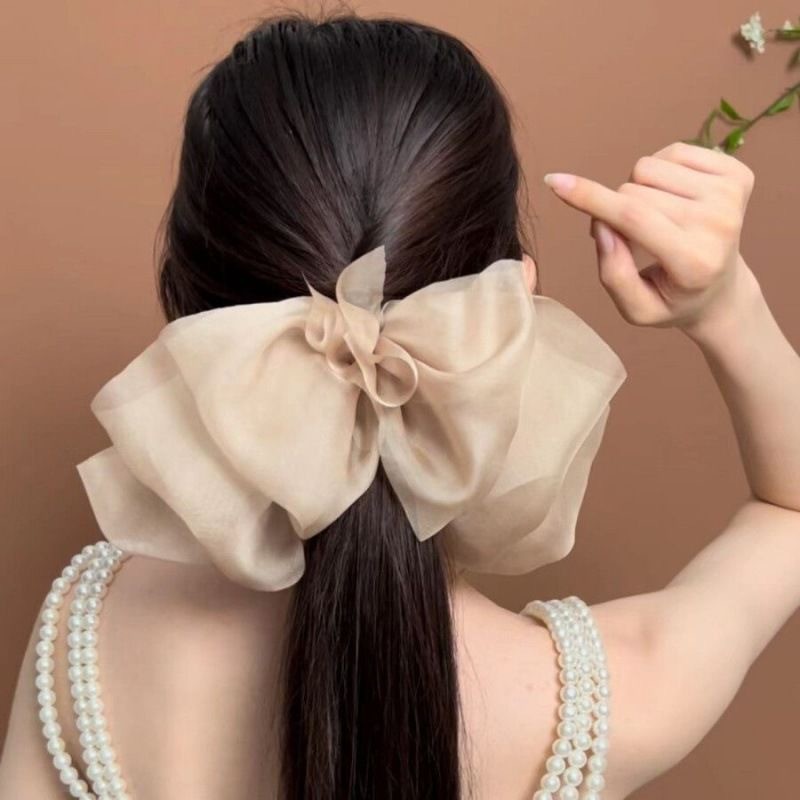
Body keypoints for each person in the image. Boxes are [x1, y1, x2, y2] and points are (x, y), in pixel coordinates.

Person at [1, 10, 799, 800]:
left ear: (199, 318)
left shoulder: (85, 637)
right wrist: (726, 306)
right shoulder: (595, 705)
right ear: (504, 315)